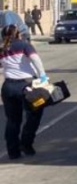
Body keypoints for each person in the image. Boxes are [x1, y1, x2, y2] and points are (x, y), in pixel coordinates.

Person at [1, 24, 49, 159]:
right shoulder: (24, 45)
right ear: (18, 34)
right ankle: (26, 143)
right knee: (35, 114)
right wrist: (42, 76)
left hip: (8, 87)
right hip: (26, 86)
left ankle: (13, 151)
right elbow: (35, 59)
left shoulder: (2, 48)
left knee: (12, 120)